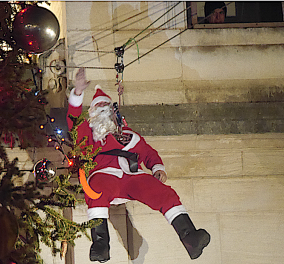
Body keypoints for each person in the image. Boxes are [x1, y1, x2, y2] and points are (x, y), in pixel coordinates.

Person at [66, 68, 210, 262]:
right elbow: (73, 122)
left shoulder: (129, 134)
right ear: (92, 114)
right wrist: (78, 93)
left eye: (105, 107)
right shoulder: (89, 135)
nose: (102, 110)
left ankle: (190, 238)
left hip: (132, 175)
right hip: (103, 173)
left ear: (112, 112)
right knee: (97, 189)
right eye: (97, 107)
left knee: (163, 192)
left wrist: (158, 168)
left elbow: (148, 153)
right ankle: (100, 244)